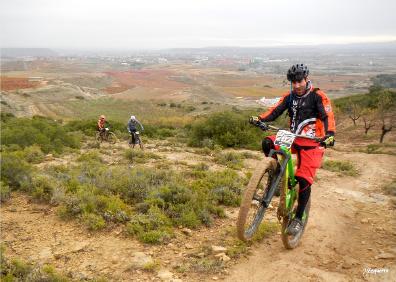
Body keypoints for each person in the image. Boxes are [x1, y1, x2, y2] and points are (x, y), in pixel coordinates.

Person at [251, 63, 335, 236]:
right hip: (294, 138)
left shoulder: (318, 96)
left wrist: (330, 134)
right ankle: (275, 179)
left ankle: (298, 219)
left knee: (303, 179)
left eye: (299, 81)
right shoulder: (289, 97)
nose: (296, 85)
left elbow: (328, 116)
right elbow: (275, 110)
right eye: (293, 82)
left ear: (306, 79)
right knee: (268, 142)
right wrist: (260, 118)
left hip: (312, 142)